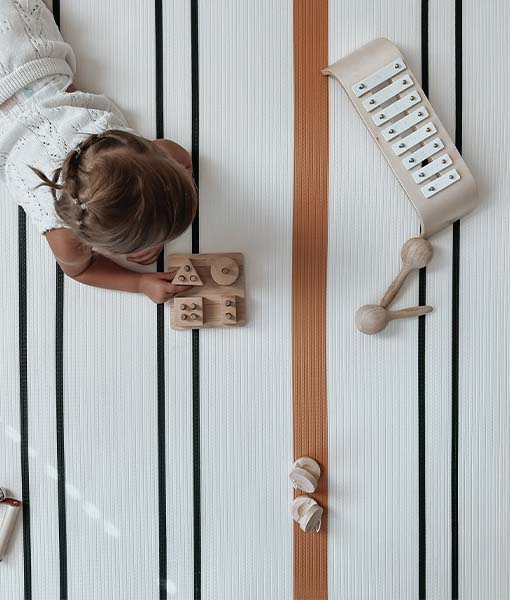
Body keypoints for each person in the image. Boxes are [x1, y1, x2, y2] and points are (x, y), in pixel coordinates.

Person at [0, 0, 197, 304]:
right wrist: (139, 282)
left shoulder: (127, 148)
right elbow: (81, 270)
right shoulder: (65, 236)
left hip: (25, 53)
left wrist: (154, 221)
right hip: (22, 59)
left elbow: (180, 159)